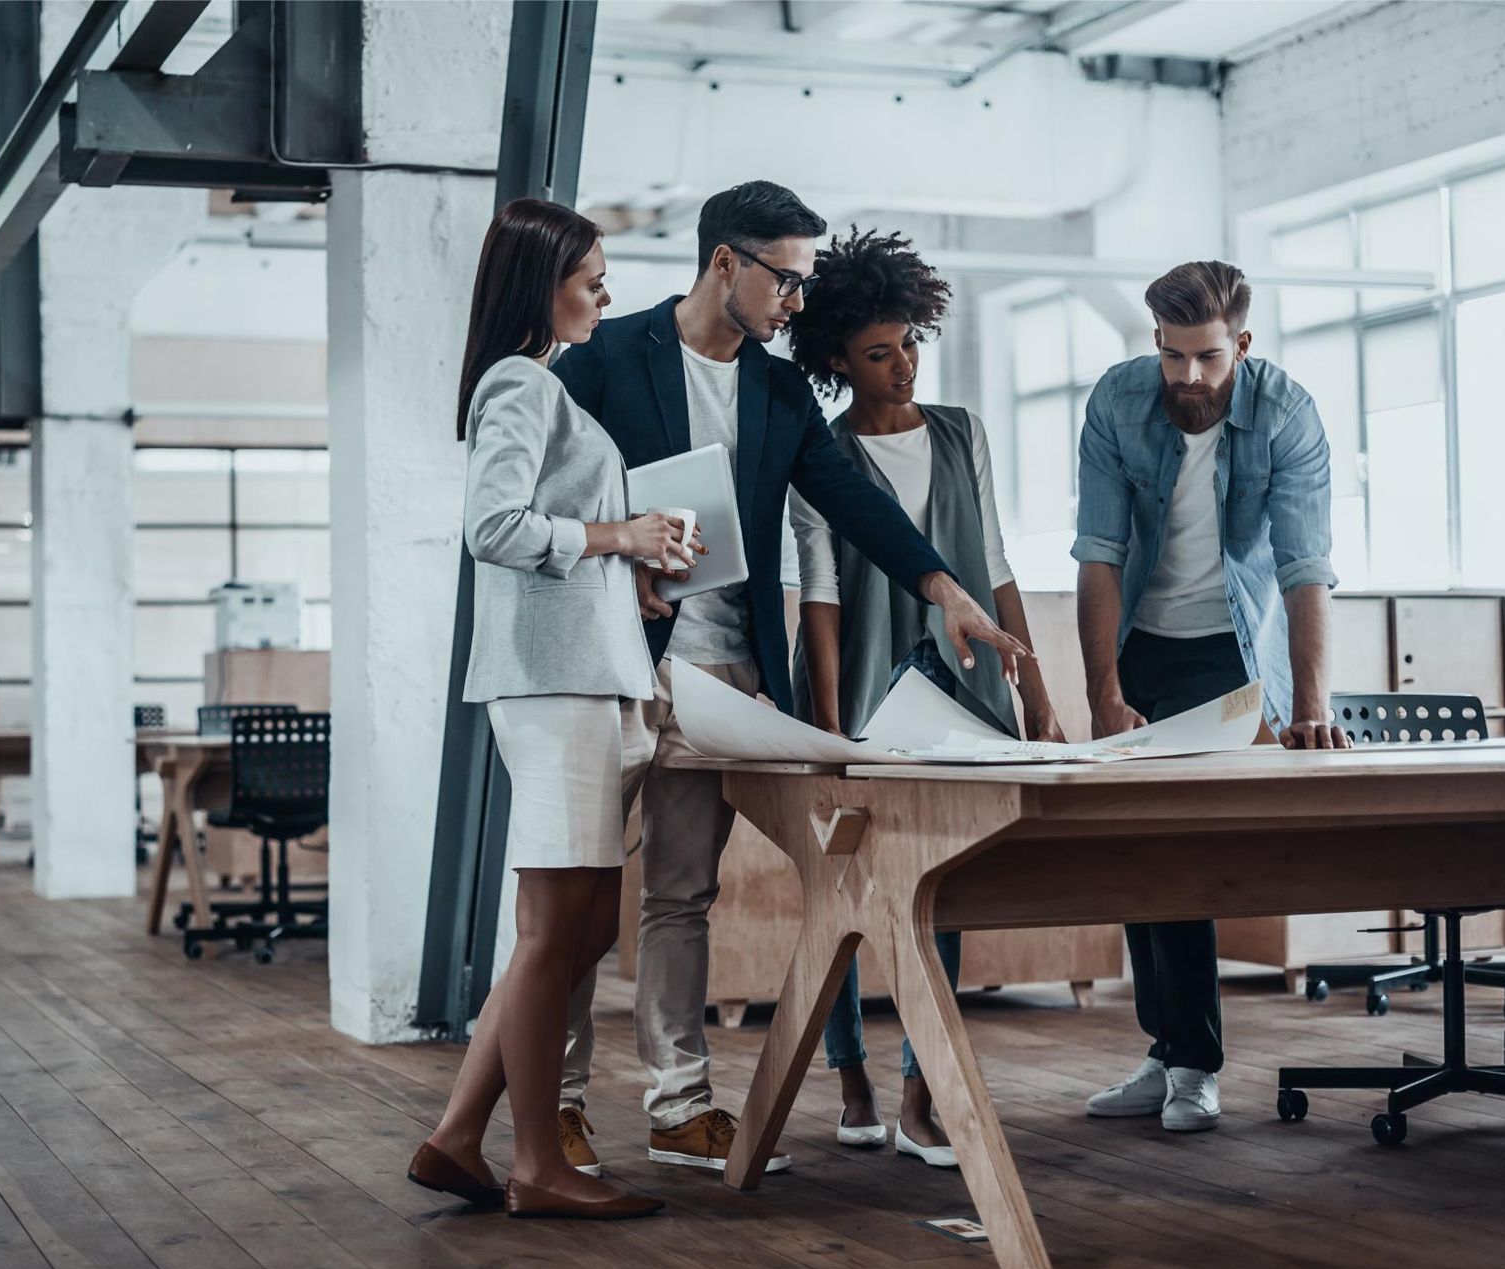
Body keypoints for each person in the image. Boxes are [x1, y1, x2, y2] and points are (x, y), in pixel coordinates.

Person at [548, 181, 1029, 1179]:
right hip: (611, 664)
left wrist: (947, 591)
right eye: (786, 280)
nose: (796, 304)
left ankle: (680, 1108)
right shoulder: (604, 358)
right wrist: (614, 554)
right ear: (727, 261)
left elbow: (852, 502)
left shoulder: (774, 389)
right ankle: (552, 1107)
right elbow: (542, 500)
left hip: (724, 674)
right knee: (578, 898)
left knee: (681, 895)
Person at [409, 199, 697, 1221]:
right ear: (542, 283)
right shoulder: (520, 382)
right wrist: (620, 539)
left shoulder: (536, 383)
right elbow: (494, 524)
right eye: (592, 277)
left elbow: (553, 540)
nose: (606, 294)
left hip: (579, 674)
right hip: (555, 687)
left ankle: (456, 1139)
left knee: (568, 933)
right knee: (553, 931)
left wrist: (635, 572)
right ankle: (538, 1164)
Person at [784, 228, 1066, 1168]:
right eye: (877, 353)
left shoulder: (961, 432)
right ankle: (852, 1079)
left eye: (909, 343)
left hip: (967, 684)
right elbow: (820, 590)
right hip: (863, 682)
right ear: (836, 361)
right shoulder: (818, 455)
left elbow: (990, 564)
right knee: (841, 900)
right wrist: (825, 725)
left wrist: (1042, 696)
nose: (901, 365)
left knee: (932, 895)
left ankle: (919, 1096)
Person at [1074, 259, 1346, 1135]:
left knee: (1180, 850)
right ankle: (1165, 1053)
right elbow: (1099, 555)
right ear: (1154, 341)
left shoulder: (1287, 412)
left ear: (1243, 344)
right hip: (1138, 641)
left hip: (1227, 647)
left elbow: (1305, 568)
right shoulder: (1117, 403)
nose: (1189, 378)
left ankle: (1193, 1063)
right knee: (1129, 852)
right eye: (1173, 356)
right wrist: (1104, 693)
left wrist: (1310, 704)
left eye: (1209, 358)